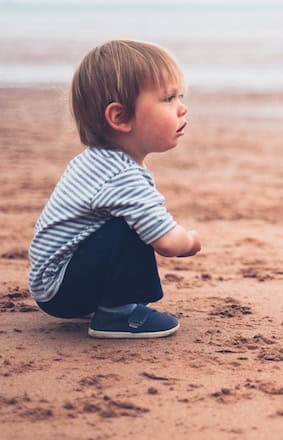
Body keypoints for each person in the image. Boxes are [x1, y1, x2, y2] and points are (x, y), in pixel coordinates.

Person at [28, 40, 201, 339]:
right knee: (128, 228)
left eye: (179, 96)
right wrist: (191, 241)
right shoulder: (120, 175)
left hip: (53, 281)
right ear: (120, 117)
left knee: (125, 223)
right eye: (169, 98)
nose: (182, 107)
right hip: (62, 288)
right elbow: (167, 242)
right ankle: (117, 315)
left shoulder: (99, 162)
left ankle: (110, 301)